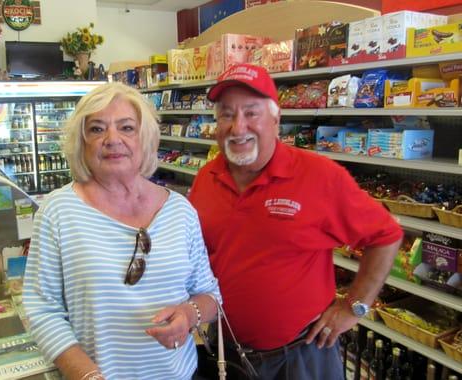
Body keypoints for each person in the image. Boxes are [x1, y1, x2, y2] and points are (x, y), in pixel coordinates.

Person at [189, 63, 403, 380]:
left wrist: (353, 307)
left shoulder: (319, 175)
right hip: (228, 353)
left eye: (251, 113)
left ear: (276, 119)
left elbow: (385, 235)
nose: (238, 127)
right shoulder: (207, 177)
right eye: (226, 114)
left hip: (301, 356)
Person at [23, 82, 221, 380]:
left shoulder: (180, 211)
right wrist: (86, 374)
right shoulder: (58, 212)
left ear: (145, 138)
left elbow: (210, 294)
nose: (112, 139)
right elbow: (42, 310)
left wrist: (189, 314)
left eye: (126, 127)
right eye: (97, 129)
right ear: (82, 142)